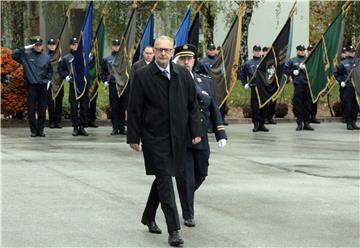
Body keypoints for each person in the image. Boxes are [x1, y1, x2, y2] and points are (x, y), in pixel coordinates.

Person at [127, 36, 202, 247]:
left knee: (163, 177)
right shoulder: (142, 76)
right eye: (159, 50)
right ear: (154, 51)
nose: (162, 54)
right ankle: (174, 230)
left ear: (172, 52)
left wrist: (195, 130)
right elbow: (134, 108)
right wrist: (133, 137)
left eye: (166, 50)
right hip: (153, 137)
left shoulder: (183, 75)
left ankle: (148, 216)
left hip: (177, 137)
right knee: (165, 180)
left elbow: (192, 106)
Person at [174, 43, 227, 228]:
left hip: (201, 136)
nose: (186, 62)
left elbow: (213, 107)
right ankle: (188, 213)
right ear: (177, 60)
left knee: (202, 172)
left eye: (189, 58)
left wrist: (220, 132)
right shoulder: (172, 80)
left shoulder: (204, 80)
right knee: (186, 176)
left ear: (194, 60)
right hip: (182, 137)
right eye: (182, 58)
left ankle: (186, 193)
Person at [12, 37, 52, 137]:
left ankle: (41, 130)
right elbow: (14, 54)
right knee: (31, 109)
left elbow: (50, 71)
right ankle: (33, 131)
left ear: (42, 46)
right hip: (31, 86)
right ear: (33, 46)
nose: (38, 47)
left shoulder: (46, 57)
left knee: (42, 109)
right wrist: (26, 47)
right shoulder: (26, 55)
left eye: (39, 45)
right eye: (36, 45)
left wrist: (48, 81)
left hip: (43, 86)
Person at [59, 37, 89, 136]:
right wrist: (65, 76)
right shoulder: (66, 58)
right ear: (70, 46)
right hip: (73, 85)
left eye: (76, 44)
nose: (75, 46)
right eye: (73, 44)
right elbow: (61, 70)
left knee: (84, 106)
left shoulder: (83, 57)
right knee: (74, 107)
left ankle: (82, 127)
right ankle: (75, 127)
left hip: (83, 85)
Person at [239, 45, 269, 132]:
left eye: (259, 51)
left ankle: (262, 124)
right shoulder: (248, 63)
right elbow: (242, 75)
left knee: (264, 106)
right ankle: (256, 124)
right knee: (255, 107)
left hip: (263, 88)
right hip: (254, 87)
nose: (257, 52)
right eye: (256, 51)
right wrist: (244, 83)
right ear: (253, 52)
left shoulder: (264, 61)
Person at [284, 45, 314, 131]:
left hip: (307, 85)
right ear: (297, 51)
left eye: (303, 50)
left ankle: (307, 123)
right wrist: (293, 72)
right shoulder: (292, 60)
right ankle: (299, 123)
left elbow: (313, 70)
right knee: (298, 104)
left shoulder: (309, 60)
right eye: (301, 50)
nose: (302, 52)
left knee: (308, 104)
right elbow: (285, 70)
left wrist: (306, 69)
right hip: (298, 85)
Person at [100, 39, 127, 135]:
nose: (116, 47)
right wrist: (104, 81)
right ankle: (115, 127)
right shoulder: (107, 59)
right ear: (112, 46)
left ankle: (122, 126)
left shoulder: (124, 58)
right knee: (114, 106)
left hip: (123, 85)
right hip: (113, 84)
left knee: (122, 106)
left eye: (118, 45)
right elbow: (102, 72)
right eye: (115, 45)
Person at [333, 45, 359, 130]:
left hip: (357, 87)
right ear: (347, 52)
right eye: (350, 51)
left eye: (353, 51)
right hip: (348, 87)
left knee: (356, 105)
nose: (352, 53)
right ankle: (348, 123)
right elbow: (336, 73)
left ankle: (353, 122)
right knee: (348, 105)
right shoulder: (343, 63)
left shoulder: (357, 61)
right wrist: (341, 81)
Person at [47, 38, 64, 129]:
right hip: (50, 81)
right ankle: (51, 121)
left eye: (54, 44)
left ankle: (58, 121)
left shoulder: (60, 56)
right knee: (50, 102)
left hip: (59, 81)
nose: (52, 45)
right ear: (47, 46)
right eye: (50, 44)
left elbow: (64, 68)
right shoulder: (45, 56)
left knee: (59, 102)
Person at [262, 46, 277, 125]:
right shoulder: (261, 62)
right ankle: (264, 118)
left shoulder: (272, 61)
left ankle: (270, 117)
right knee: (265, 102)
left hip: (272, 84)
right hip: (264, 85)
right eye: (265, 51)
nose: (267, 53)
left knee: (273, 101)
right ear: (263, 52)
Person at [306, 44, 321, 124]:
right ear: (307, 51)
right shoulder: (305, 61)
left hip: (314, 84)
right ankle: (307, 117)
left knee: (314, 101)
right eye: (309, 50)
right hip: (306, 85)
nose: (311, 51)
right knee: (307, 102)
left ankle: (313, 116)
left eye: (312, 50)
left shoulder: (316, 61)